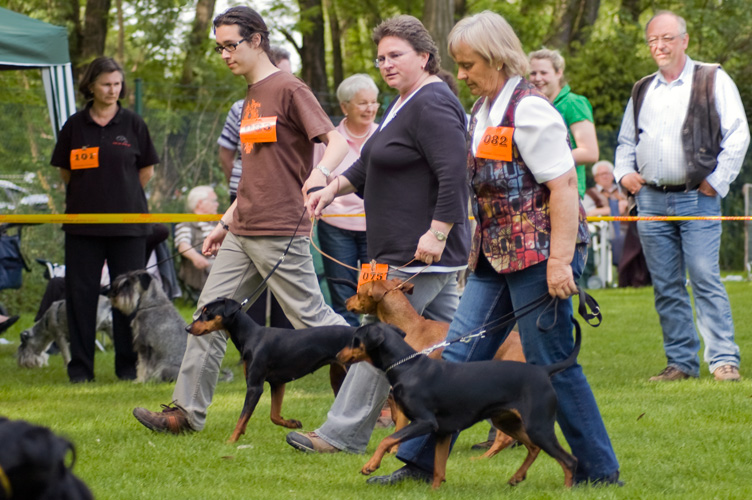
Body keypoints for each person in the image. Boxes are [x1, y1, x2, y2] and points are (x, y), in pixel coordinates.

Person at [357, 11, 621, 487]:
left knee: (550, 361)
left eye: (468, 64)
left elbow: (563, 187)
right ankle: (417, 465)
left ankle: (600, 473)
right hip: (493, 254)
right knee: (458, 352)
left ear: (497, 59)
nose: (460, 74)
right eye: (457, 64)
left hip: (540, 253)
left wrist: (561, 261)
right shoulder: (481, 112)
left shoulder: (532, 109)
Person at [132, 6, 351, 433]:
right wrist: (224, 222)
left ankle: (384, 383)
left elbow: (336, 141)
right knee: (206, 317)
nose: (225, 55)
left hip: (279, 230)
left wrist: (321, 175)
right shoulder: (248, 97)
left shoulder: (289, 88)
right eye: (219, 48)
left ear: (256, 40)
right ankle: (184, 413)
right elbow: (253, 173)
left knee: (316, 323)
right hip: (242, 229)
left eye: (231, 45)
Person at [285, 14, 470, 454]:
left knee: (377, 339)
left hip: (421, 253)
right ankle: (503, 407)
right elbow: (368, 164)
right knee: (464, 340)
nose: (385, 64)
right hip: (406, 251)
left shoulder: (433, 102)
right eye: (381, 57)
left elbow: (454, 172)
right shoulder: (403, 102)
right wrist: (330, 189)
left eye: (395, 55)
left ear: (424, 56)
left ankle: (339, 435)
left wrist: (438, 233)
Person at [614, 10, 749, 382]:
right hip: (652, 200)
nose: (659, 46)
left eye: (667, 39)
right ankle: (681, 363)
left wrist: (716, 182)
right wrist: (624, 172)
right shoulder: (643, 88)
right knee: (667, 284)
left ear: (684, 41)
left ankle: (723, 360)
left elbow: (738, 134)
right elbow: (627, 141)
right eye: (653, 40)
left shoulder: (712, 78)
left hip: (698, 197)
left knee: (705, 276)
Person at [50, 57, 159, 383]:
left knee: (127, 299)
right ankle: (81, 371)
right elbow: (66, 174)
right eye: (106, 84)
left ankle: (127, 369)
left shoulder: (134, 124)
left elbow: (146, 172)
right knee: (80, 297)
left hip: (128, 228)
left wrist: (121, 199)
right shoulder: (74, 125)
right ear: (91, 86)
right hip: (83, 227)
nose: (113, 90)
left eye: (117, 84)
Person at [216, 44, 294, 328]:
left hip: (283, 202)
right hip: (243, 199)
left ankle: (288, 342)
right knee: (251, 270)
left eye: (289, 74)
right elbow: (226, 153)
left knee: (284, 274)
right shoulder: (240, 108)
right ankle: (253, 339)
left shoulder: (295, 101)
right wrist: (240, 182)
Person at [312, 74, 378, 326]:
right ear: (344, 107)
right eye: (362, 103)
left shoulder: (385, 135)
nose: (370, 108)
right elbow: (316, 178)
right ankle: (348, 358)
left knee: (375, 294)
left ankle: (376, 354)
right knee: (344, 297)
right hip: (336, 229)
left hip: (375, 229)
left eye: (373, 102)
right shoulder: (329, 142)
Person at [529, 48, 598, 198]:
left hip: (567, 191)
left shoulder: (573, 103)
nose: (537, 78)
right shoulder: (534, 106)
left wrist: (544, 159)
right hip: (538, 193)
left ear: (558, 73)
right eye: (533, 73)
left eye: (544, 73)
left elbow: (590, 152)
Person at [583, 160, 627, 271]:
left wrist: (627, 204)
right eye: (601, 174)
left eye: (607, 173)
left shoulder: (624, 192)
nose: (605, 176)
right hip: (602, 230)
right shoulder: (590, 193)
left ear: (613, 176)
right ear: (595, 178)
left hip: (628, 227)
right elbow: (588, 213)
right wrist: (612, 209)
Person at [174, 186, 219, 294]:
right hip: (204, 270)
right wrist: (196, 258)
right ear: (200, 203)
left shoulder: (218, 223)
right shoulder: (187, 222)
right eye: (214, 201)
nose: (217, 204)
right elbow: (182, 245)